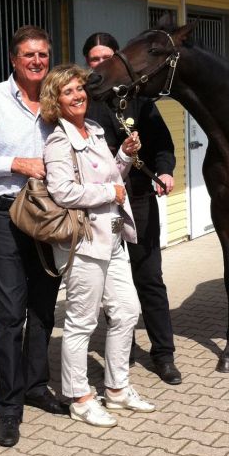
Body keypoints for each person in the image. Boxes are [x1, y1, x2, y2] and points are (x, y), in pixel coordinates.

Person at [0, 26, 68, 448]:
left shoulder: (56, 99)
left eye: (43, 54)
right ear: (13, 59)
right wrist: (14, 163)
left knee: (43, 308)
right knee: (9, 314)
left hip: (50, 218)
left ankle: (36, 387)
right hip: (6, 217)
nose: (37, 61)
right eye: (29, 55)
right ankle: (8, 407)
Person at [41, 63, 155, 427]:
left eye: (80, 89)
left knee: (126, 311)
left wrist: (122, 155)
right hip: (84, 243)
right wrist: (109, 191)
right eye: (68, 91)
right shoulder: (59, 140)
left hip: (114, 237)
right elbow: (62, 191)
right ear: (55, 101)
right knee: (81, 323)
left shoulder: (92, 129)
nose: (78, 96)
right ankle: (80, 397)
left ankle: (118, 389)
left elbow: (112, 176)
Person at [83, 32, 182, 385]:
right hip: (97, 208)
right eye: (93, 59)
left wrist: (166, 170)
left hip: (138, 201)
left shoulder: (139, 98)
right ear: (87, 63)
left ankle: (163, 354)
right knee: (110, 284)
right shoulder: (81, 100)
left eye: (105, 57)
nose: (99, 64)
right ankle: (120, 353)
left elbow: (163, 145)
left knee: (149, 278)